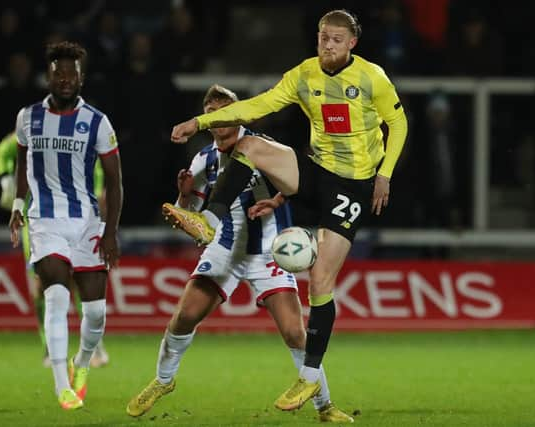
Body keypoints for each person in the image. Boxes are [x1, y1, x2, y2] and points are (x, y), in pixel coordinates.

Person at [169, 9, 408, 411]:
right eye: (322, 37)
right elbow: (257, 106)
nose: (327, 44)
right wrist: (200, 121)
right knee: (249, 146)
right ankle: (207, 219)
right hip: (315, 170)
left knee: (320, 281)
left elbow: (397, 125)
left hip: (353, 183)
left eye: (335, 39)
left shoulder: (372, 77)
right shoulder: (304, 74)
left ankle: (309, 377)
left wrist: (384, 175)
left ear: (352, 43)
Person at [126, 85, 354, 423]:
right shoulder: (203, 159)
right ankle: (163, 381)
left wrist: (276, 201)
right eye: (212, 110)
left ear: (240, 111)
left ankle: (324, 406)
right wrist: (184, 197)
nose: (219, 117)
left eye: (225, 108)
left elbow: (299, 186)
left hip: (269, 254)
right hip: (224, 250)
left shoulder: (262, 147)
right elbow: (189, 217)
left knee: (295, 333)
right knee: (183, 318)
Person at [8, 41, 123, 410]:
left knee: (95, 314)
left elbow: (115, 181)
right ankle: (62, 385)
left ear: (81, 78)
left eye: (71, 74)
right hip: (45, 223)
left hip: (86, 223)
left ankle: (82, 362)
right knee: (55, 296)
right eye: (58, 73)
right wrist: (17, 205)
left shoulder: (98, 122)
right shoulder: (27, 118)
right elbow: (22, 165)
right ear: (49, 76)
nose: (65, 80)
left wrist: (110, 232)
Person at [0, 131, 110, 368]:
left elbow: (98, 185)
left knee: (79, 282)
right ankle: (49, 347)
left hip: (75, 220)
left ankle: (94, 345)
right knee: (39, 288)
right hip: (37, 222)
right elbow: (3, 150)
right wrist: (6, 177)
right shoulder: (34, 133)